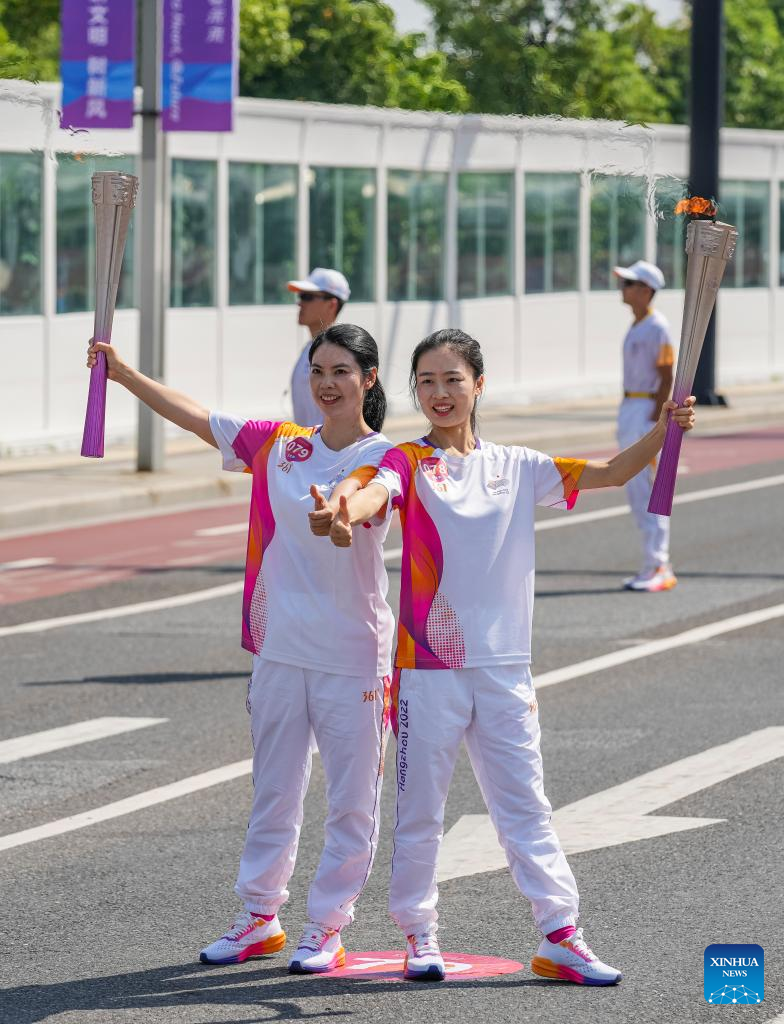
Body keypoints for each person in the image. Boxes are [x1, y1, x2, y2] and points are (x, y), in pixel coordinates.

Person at [325, 328, 695, 984]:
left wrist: (665, 430)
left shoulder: (519, 466)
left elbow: (610, 473)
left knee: (525, 805)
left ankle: (561, 935)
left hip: (504, 667)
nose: (440, 394)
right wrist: (343, 510)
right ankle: (420, 934)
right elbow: (371, 488)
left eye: (452, 380)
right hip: (428, 670)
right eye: (428, 382)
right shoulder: (408, 461)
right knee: (421, 809)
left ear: (478, 384)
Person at [86, 323, 394, 974]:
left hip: (352, 655)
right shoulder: (281, 446)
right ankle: (260, 917)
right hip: (281, 648)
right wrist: (125, 375)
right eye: (318, 371)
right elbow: (201, 418)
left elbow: (364, 499)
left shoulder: (389, 459)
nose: (327, 383)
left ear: (368, 379)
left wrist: (338, 514)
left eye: (342, 371)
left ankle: (328, 925)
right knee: (274, 791)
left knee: (350, 799)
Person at [613, 260, 677, 592]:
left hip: (645, 409)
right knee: (637, 492)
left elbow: (667, 374)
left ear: (646, 291)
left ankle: (659, 565)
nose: (622, 289)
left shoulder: (657, 327)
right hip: (631, 407)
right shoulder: (638, 325)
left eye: (629, 284)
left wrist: (656, 421)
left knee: (650, 491)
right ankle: (652, 564)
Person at [287, 268, 351, 426]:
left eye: (307, 297)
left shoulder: (340, 353)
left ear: (331, 304)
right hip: (308, 447)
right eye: (300, 296)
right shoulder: (310, 349)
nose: (299, 302)